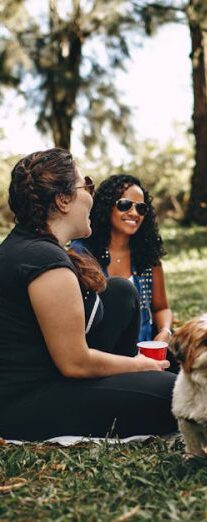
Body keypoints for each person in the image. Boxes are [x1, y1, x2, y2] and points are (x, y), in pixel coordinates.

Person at [0, 149, 177, 441]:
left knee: (121, 292)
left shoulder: (32, 246)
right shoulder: (44, 261)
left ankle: (133, 382)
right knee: (175, 393)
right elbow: (75, 363)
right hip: (27, 402)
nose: (92, 198)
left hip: (52, 375)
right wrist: (138, 365)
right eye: (87, 186)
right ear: (63, 200)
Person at [72, 174, 172, 344]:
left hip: (145, 354)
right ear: (106, 207)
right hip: (100, 355)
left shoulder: (147, 256)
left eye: (141, 208)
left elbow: (161, 308)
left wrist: (165, 332)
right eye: (125, 205)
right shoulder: (82, 254)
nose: (134, 213)